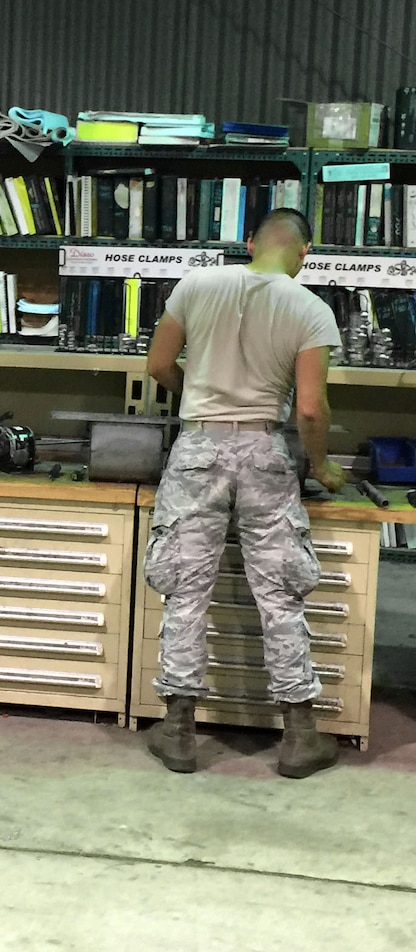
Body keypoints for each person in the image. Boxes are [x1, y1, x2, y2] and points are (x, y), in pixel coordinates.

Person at [142, 207, 346, 779]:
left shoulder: (196, 283)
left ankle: (179, 732)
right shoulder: (309, 308)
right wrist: (325, 467)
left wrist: (197, 400)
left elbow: (159, 364)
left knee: (185, 591)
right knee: (280, 593)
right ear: (305, 252)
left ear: (250, 241)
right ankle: (299, 736)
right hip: (264, 452)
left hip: (198, 451)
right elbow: (309, 408)